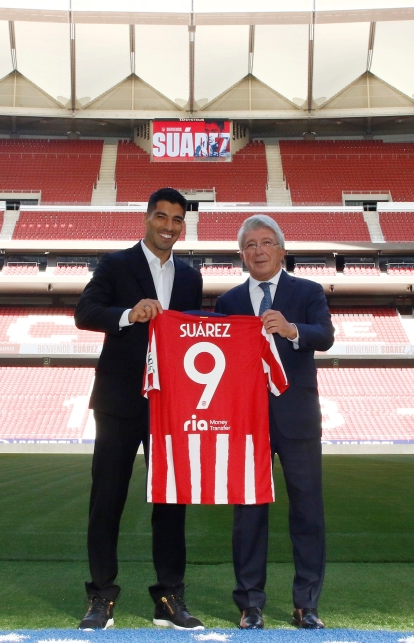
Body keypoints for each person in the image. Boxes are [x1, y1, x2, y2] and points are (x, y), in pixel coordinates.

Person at [73, 188, 205, 631]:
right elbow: (85, 312)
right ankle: (100, 596)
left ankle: (169, 597)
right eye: (162, 217)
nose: (169, 227)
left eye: (177, 220)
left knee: (171, 501)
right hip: (119, 401)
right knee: (106, 499)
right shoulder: (115, 264)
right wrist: (130, 313)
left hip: (171, 403)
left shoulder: (190, 276)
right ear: (146, 218)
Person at [214, 214, 335, 631]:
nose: (259, 250)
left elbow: (324, 335)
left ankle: (307, 604)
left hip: (298, 418)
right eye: (250, 245)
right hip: (246, 422)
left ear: (281, 250)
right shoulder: (227, 303)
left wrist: (290, 329)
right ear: (241, 255)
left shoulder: (308, 291)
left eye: (267, 242)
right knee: (248, 514)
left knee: (307, 513)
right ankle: (250, 604)